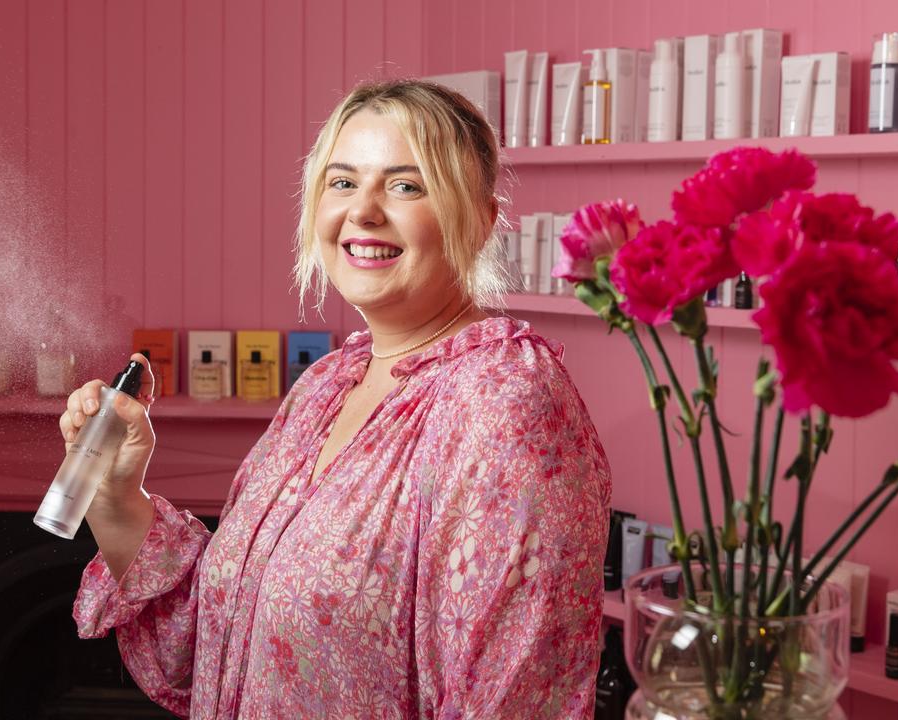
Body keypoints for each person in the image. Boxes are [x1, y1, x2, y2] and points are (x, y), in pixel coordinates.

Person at [62, 79, 611, 718]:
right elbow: (215, 647)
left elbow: (512, 699)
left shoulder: (504, 402)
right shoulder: (327, 384)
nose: (364, 211)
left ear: (482, 221)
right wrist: (117, 496)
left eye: (407, 186)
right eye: (343, 182)